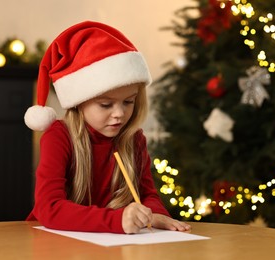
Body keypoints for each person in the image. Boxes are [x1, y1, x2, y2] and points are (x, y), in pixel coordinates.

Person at [24, 21, 191, 234]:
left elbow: (147, 195)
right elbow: (49, 209)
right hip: (54, 244)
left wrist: (154, 214)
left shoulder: (133, 139)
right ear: (79, 101)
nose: (119, 114)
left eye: (128, 102)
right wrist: (116, 220)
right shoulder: (59, 137)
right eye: (105, 104)